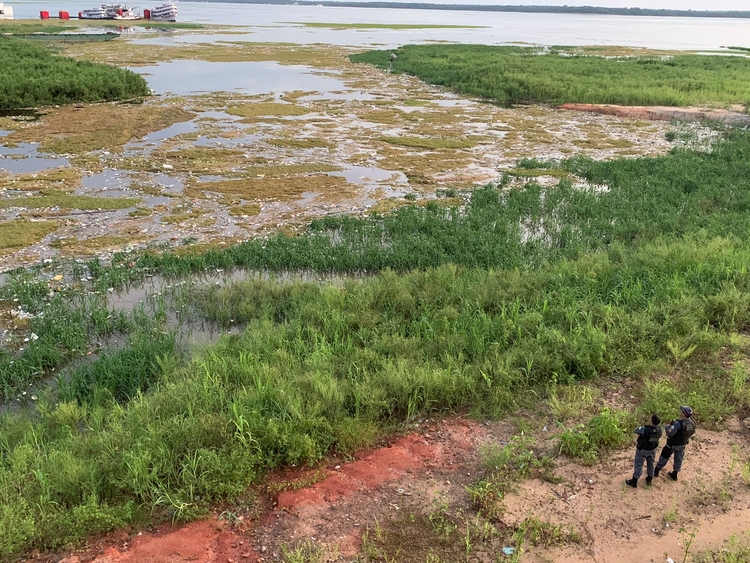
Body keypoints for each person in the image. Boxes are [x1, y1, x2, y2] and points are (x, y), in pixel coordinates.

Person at [654, 406, 696, 481]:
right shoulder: (692, 423)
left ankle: (656, 471)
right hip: (682, 444)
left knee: (664, 457)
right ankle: (675, 474)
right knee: (679, 459)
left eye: (682, 411)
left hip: (672, 444)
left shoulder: (678, 424)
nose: (681, 412)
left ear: (684, 414)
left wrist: (668, 427)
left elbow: (670, 433)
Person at [625, 414, 662, 488]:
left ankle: (634, 481)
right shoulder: (660, 429)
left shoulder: (644, 429)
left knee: (639, 464)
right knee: (651, 464)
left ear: (651, 420)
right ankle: (649, 478)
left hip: (642, 450)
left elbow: (635, 430)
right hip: (652, 449)